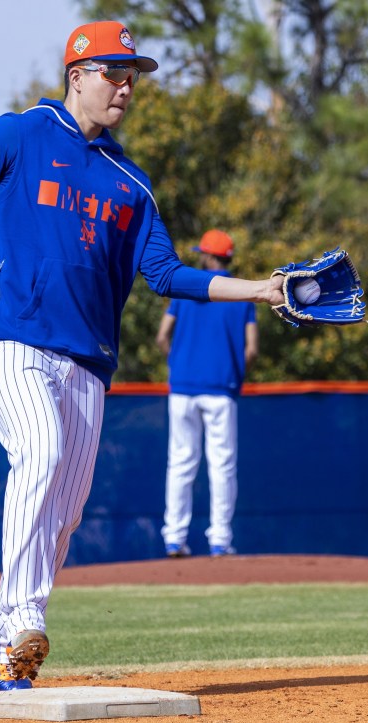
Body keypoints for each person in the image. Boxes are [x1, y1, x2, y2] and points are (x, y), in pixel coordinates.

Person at [0, 20, 285, 692]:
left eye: (134, 76)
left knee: (64, 509)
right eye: (114, 72)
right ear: (77, 75)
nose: (127, 86)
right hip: (8, 334)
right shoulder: (19, 133)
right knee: (38, 449)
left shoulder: (132, 182)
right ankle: (21, 615)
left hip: (88, 357)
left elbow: (169, 275)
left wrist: (262, 288)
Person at [156, 230, 258, 559]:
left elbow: (161, 336)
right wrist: (234, 371)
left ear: (209, 256)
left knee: (181, 463)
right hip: (221, 387)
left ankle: (174, 538)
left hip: (183, 387)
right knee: (222, 465)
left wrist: (178, 362)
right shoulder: (240, 292)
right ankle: (220, 539)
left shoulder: (187, 288)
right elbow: (252, 348)